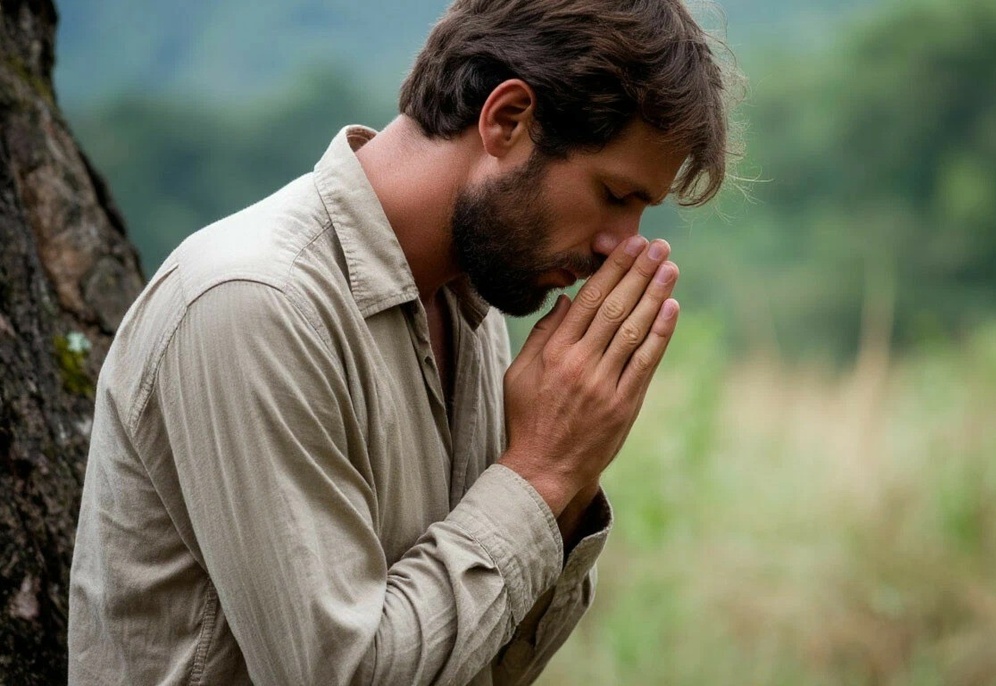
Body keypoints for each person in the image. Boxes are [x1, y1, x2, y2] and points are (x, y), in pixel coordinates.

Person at [67, 0, 733, 683]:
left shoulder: (468, 308)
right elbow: (342, 674)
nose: (619, 246)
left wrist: (570, 475)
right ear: (507, 120)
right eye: (615, 193)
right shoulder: (254, 304)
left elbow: (479, 664)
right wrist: (540, 472)